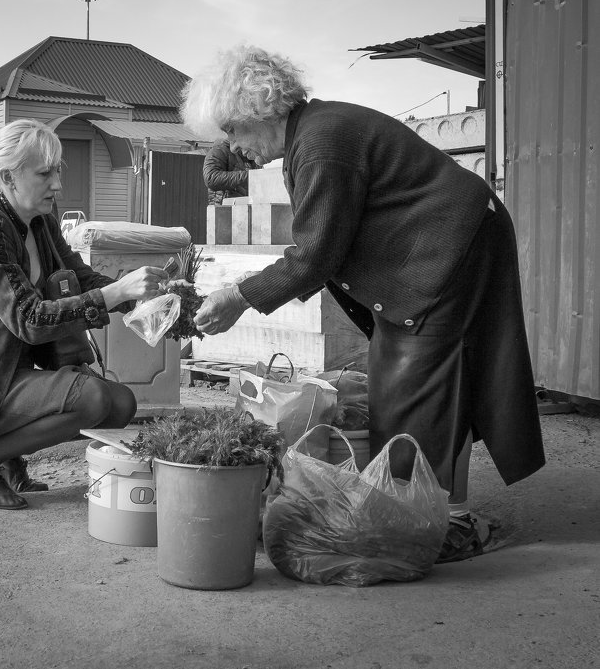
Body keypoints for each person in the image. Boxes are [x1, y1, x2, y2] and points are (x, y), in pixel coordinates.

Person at [181, 43, 545, 563]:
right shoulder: (312, 135)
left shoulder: (323, 142)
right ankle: (439, 510)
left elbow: (315, 255)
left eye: (232, 132)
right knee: (418, 378)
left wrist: (237, 297)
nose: (233, 149)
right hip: (445, 243)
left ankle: (436, 525)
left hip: (452, 244)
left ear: (257, 113)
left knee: (411, 383)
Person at [0, 119, 170, 510]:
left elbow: (81, 278)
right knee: (94, 399)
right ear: (7, 177)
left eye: (58, 171)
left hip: (8, 378)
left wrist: (149, 297)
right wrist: (116, 292)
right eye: (44, 173)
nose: (57, 184)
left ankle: (5, 457)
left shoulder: (42, 224)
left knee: (121, 405)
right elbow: (28, 320)